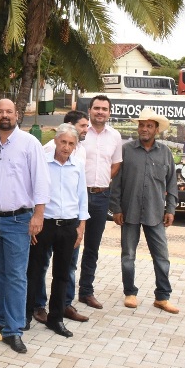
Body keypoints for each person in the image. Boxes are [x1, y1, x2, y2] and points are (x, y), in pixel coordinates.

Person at [0, 98, 49, 354]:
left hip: (18, 220)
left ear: (17, 114)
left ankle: (13, 329)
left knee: (16, 276)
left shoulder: (30, 144)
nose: (4, 115)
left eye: (9, 111)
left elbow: (41, 181)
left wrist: (38, 216)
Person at [109, 107, 181, 314]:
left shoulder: (165, 153)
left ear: (156, 130)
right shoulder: (127, 150)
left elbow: (172, 183)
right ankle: (130, 292)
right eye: (142, 125)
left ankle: (162, 297)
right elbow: (117, 182)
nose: (144, 129)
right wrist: (116, 208)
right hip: (129, 212)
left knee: (162, 257)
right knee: (128, 255)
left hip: (155, 213)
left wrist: (171, 209)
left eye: (149, 126)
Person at [26, 124, 87, 339]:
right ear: (56, 141)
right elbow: (32, 192)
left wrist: (81, 228)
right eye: (63, 142)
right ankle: (25, 316)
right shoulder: (42, 162)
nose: (66, 147)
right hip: (45, 224)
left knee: (62, 275)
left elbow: (82, 198)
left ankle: (56, 319)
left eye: (71, 143)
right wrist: (33, 221)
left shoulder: (78, 165)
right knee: (34, 270)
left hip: (69, 226)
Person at [78, 95, 124, 310]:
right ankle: (66, 293)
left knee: (92, 247)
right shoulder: (79, 133)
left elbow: (115, 165)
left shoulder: (115, 136)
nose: (100, 112)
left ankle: (86, 291)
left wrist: (102, 181)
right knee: (71, 245)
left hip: (100, 197)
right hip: (77, 195)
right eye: (96, 108)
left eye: (104, 109)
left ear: (109, 112)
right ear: (90, 110)